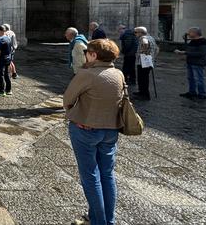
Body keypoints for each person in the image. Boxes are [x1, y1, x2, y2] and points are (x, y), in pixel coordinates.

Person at [63, 39, 124, 225]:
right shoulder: (118, 73)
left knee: (90, 176)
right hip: (111, 131)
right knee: (107, 174)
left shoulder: (87, 74)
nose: (85, 56)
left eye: (86, 53)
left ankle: (98, 221)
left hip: (86, 130)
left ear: (94, 55)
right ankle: (108, 219)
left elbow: (67, 100)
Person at [174, 27, 206, 100]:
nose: (188, 33)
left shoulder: (203, 41)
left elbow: (202, 53)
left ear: (195, 33)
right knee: (191, 78)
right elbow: (190, 49)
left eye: (190, 32)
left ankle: (201, 94)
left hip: (198, 63)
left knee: (199, 79)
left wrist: (185, 53)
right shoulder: (193, 41)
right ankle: (192, 92)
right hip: (190, 62)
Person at [132, 26, 159, 101]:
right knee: (143, 78)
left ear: (140, 32)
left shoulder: (143, 37)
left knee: (142, 78)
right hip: (149, 61)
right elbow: (157, 49)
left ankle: (145, 95)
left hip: (143, 61)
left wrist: (144, 51)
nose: (135, 34)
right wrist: (153, 57)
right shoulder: (151, 37)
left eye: (136, 32)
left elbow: (145, 43)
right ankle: (141, 92)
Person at [0, 25, 13, 96]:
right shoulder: (8, 38)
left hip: (1, 59)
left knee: (0, 74)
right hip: (8, 58)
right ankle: (8, 90)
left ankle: (1, 90)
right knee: (7, 74)